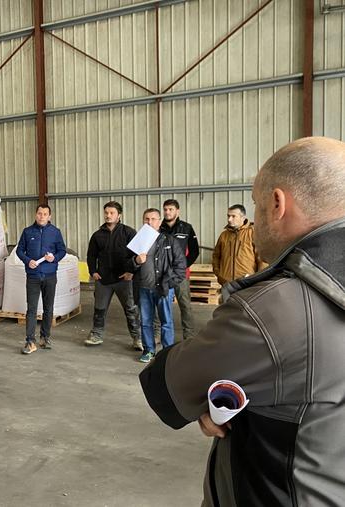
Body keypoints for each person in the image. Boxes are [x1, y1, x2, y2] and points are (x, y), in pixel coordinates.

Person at [139, 137, 345, 505]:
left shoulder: (274, 309)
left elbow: (168, 384)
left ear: (278, 204)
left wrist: (212, 397)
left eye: (255, 203)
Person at [133, 209, 186, 363]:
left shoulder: (169, 241)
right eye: (146, 219)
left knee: (166, 321)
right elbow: (127, 264)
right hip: (144, 288)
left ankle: (167, 353)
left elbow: (180, 266)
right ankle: (149, 350)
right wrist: (136, 261)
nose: (150, 222)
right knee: (145, 321)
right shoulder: (138, 242)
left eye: (153, 219)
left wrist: (169, 284)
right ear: (143, 221)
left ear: (159, 221)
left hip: (163, 288)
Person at [85, 201, 140, 349]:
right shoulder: (97, 235)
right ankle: (96, 334)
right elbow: (91, 255)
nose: (108, 216)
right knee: (99, 309)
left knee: (131, 309)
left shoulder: (129, 232)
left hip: (124, 279)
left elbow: (138, 255)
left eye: (112, 213)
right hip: (103, 280)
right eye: (106, 213)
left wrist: (131, 272)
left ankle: (137, 338)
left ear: (119, 215)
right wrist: (93, 271)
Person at [15, 204, 67, 354]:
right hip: (33, 276)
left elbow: (62, 250)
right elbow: (19, 250)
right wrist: (27, 260)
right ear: (35, 214)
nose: (42, 216)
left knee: (48, 308)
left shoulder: (55, 232)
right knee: (31, 309)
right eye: (39, 213)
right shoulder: (27, 232)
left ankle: (45, 337)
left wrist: (54, 258)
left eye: (45, 214)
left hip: (50, 275)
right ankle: (30, 341)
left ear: (49, 216)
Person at [160, 199, 199, 340]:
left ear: (177, 211)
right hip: (162, 274)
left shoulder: (187, 228)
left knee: (185, 305)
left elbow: (194, 251)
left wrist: (182, 267)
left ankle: (189, 335)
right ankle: (158, 334)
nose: (167, 212)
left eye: (170, 209)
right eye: (165, 209)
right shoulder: (158, 228)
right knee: (161, 304)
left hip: (181, 275)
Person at [212, 204, 266, 286]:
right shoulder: (224, 235)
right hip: (226, 284)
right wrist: (219, 274)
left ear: (243, 218)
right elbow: (216, 256)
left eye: (233, 216)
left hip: (246, 283)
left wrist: (257, 280)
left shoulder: (253, 233)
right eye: (228, 216)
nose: (229, 219)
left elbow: (262, 259)